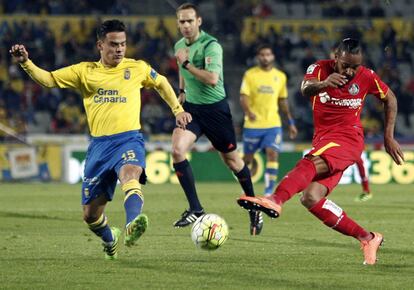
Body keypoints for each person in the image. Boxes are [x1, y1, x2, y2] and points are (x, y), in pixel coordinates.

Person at [10, 19, 192, 260]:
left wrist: (178, 110)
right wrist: (26, 63)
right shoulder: (84, 72)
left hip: (129, 139)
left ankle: (132, 225)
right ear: (100, 45)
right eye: (114, 44)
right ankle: (110, 238)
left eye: (123, 44)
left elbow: (161, 83)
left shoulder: (137, 68)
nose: (119, 49)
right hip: (99, 146)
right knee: (90, 215)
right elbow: (49, 79)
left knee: (130, 174)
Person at [238, 38, 404, 265]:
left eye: (355, 66)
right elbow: (306, 89)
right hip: (324, 140)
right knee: (310, 197)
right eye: (346, 64)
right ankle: (368, 237)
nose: (350, 71)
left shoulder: (366, 76)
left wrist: (388, 136)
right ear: (336, 57)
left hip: (349, 139)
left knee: (310, 163)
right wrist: (325, 83)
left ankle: (276, 199)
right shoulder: (318, 68)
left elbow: (390, 98)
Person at [172, 3, 263, 235]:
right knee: (177, 150)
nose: (185, 25)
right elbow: (182, 73)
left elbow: (212, 79)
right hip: (192, 109)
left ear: (198, 21)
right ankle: (196, 208)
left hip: (215, 112)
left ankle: (254, 206)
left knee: (232, 161)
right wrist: (182, 91)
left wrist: (186, 64)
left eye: (189, 21)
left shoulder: (211, 45)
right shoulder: (179, 46)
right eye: (181, 21)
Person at [240, 44, 297, 196]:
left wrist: (290, 122)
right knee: (246, 159)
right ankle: (246, 186)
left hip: (272, 124)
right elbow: (243, 97)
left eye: (268, 54)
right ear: (258, 57)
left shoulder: (280, 76)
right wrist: (248, 111)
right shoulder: (250, 75)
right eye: (262, 55)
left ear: (272, 57)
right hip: (253, 124)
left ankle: (268, 191)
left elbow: (283, 101)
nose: (265, 57)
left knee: (273, 153)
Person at [330, 44, 372, 202]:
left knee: (358, 160)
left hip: (348, 131)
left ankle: (366, 189)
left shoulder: (357, 77)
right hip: (330, 130)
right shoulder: (327, 74)